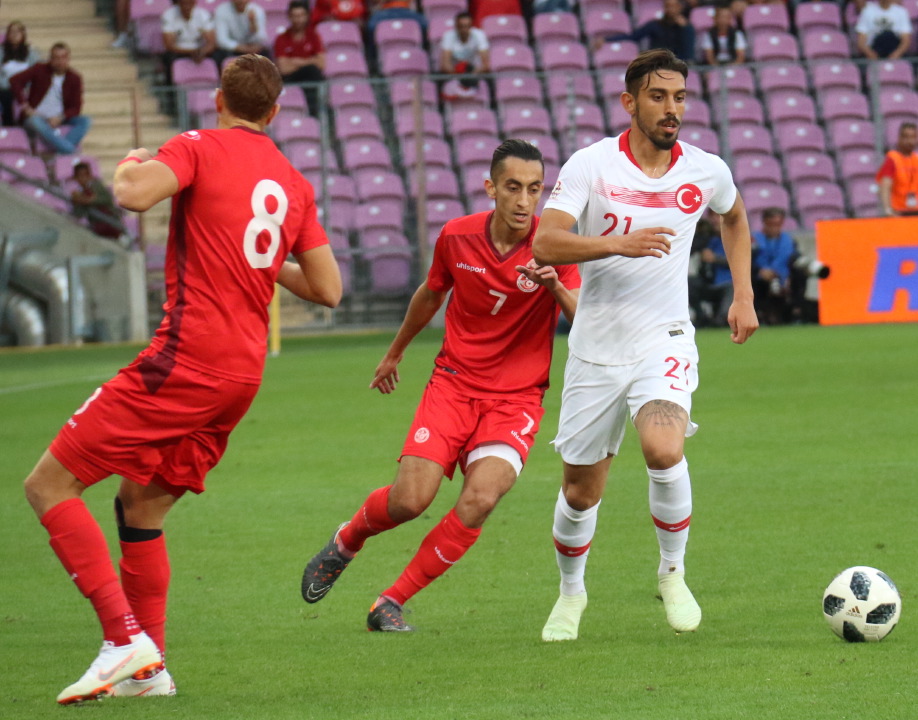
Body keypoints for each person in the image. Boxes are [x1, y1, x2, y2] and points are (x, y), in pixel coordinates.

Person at [23, 54, 341, 705]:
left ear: (217, 98)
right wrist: (258, 260)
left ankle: (123, 641)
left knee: (49, 484)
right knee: (141, 503)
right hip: (241, 377)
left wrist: (129, 163)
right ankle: (152, 672)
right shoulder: (292, 181)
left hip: (187, 360)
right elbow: (327, 288)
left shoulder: (197, 145)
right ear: (275, 112)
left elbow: (133, 195)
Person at [300, 139, 580, 632]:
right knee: (411, 500)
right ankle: (346, 541)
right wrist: (394, 352)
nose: (523, 201)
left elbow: (584, 319)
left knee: (480, 499)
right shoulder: (456, 236)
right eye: (513, 187)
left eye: (534, 190)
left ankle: (390, 601)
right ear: (490, 187)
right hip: (453, 383)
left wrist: (554, 284)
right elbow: (431, 293)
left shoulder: (553, 245)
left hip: (515, 398)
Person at [532, 48, 758, 642]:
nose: (671, 108)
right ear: (630, 102)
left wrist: (744, 295)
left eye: (680, 97)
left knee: (663, 448)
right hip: (596, 346)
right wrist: (618, 245)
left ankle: (672, 572)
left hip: (665, 338)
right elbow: (547, 244)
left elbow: (734, 218)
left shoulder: (706, 169)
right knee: (581, 490)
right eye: (658, 97)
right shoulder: (592, 165)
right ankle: (571, 593)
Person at [9, 42, 91, 155]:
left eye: (63, 57)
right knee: (35, 122)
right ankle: (70, 151)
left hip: (59, 117)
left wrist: (60, 117)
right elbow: (14, 81)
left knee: (85, 120)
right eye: (56, 58)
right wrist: (24, 105)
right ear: (50, 59)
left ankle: (62, 151)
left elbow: (76, 107)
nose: (60, 62)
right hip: (37, 116)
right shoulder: (39, 69)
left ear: (68, 59)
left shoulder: (75, 78)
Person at [594, 0, 697, 64]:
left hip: (677, 65)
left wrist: (686, 29)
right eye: (667, 6)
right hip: (656, 64)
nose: (670, 9)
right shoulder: (655, 25)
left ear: (680, 7)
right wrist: (606, 39)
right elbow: (633, 37)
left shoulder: (686, 28)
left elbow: (688, 53)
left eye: (673, 6)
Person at [273, 1, 326, 116]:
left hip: (310, 78)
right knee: (312, 70)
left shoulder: (313, 36)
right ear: (289, 17)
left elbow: (321, 63)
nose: (298, 20)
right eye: (295, 16)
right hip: (290, 79)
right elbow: (283, 68)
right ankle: (314, 114)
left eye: (301, 16)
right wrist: (310, 61)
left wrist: (295, 61)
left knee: (312, 72)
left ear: (307, 16)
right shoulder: (281, 39)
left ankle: (314, 115)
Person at [751, 207, 795, 325]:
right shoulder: (754, 239)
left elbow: (788, 259)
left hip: (782, 276)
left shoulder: (787, 240)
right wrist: (760, 271)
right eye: (771, 224)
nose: (775, 228)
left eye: (778, 224)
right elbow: (749, 259)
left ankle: (792, 313)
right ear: (765, 222)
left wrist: (777, 273)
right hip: (758, 277)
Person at [160, 0, 218, 85]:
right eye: (184, 3)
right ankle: (171, 94)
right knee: (168, 58)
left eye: (189, 3)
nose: (186, 7)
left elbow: (211, 42)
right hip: (179, 50)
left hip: (199, 49)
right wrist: (191, 52)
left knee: (218, 56)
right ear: (178, 3)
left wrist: (203, 51)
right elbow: (169, 45)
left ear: (194, 3)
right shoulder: (168, 15)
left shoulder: (203, 14)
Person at [438, 11, 491, 99]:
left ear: (471, 26)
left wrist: (472, 74)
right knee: (439, 78)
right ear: (456, 26)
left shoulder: (479, 35)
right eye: (461, 26)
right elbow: (445, 64)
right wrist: (459, 74)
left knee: (490, 78)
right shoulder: (448, 36)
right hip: (455, 70)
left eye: (467, 26)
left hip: (474, 70)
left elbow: (486, 64)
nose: (464, 30)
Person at [0, 20, 42, 127]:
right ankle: (9, 125)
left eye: (18, 32)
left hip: (26, 87)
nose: (14, 35)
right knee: (6, 95)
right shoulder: (1, 51)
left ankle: (28, 124)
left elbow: (38, 72)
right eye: (11, 32)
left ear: (23, 34)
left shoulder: (32, 52)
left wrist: (24, 86)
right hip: (5, 87)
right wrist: (10, 85)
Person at [70, 161, 124, 240]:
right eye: (80, 176)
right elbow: (78, 214)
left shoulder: (97, 186)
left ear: (90, 176)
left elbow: (106, 199)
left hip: (110, 221)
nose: (83, 179)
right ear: (75, 178)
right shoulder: (78, 194)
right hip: (97, 225)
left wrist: (88, 200)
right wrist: (76, 202)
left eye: (86, 175)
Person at [876, 121, 918, 217]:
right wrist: (887, 209)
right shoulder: (893, 158)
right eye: (906, 137)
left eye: (913, 137)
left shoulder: (916, 159)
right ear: (899, 138)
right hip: (898, 212)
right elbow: (885, 185)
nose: (910, 141)